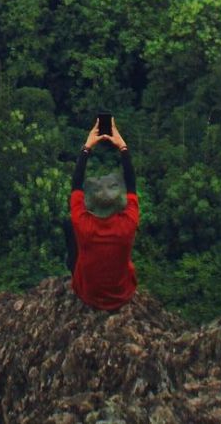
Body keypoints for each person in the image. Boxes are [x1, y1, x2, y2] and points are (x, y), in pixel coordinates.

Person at [66, 117, 139, 310]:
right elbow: (132, 186)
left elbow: (75, 185)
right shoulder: (128, 223)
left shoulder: (83, 224)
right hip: (122, 295)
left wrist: (87, 147)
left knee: (69, 226)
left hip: (88, 295)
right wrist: (122, 147)